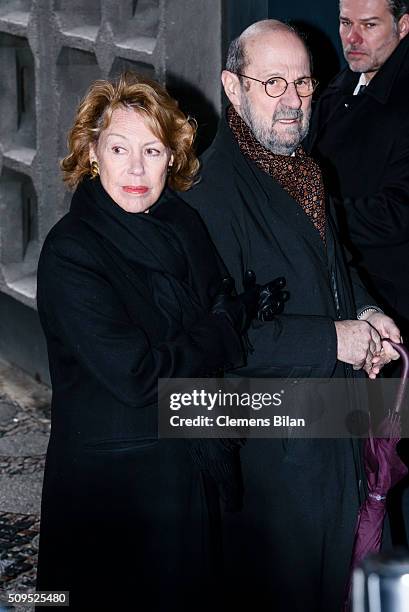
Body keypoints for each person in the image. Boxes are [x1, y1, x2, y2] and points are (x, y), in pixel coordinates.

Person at [34, 73, 286, 611]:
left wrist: (226, 321)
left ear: (172, 157)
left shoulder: (180, 221)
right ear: (92, 153)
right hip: (113, 484)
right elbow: (138, 375)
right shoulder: (71, 253)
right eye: (119, 148)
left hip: (187, 466)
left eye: (152, 150)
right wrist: (222, 329)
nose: (135, 168)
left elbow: (221, 300)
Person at [181, 19, 401, 612]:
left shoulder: (306, 168)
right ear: (233, 87)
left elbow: (335, 265)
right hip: (273, 464)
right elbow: (214, 344)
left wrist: (367, 308)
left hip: (338, 438)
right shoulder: (206, 196)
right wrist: (335, 341)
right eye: (272, 82)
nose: (292, 100)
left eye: (303, 84)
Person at [308, 0, 409, 338]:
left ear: (403, 26)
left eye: (368, 25)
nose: (352, 38)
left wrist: (314, 215)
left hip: (387, 302)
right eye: (344, 23)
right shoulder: (347, 79)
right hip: (335, 279)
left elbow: (398, 213)